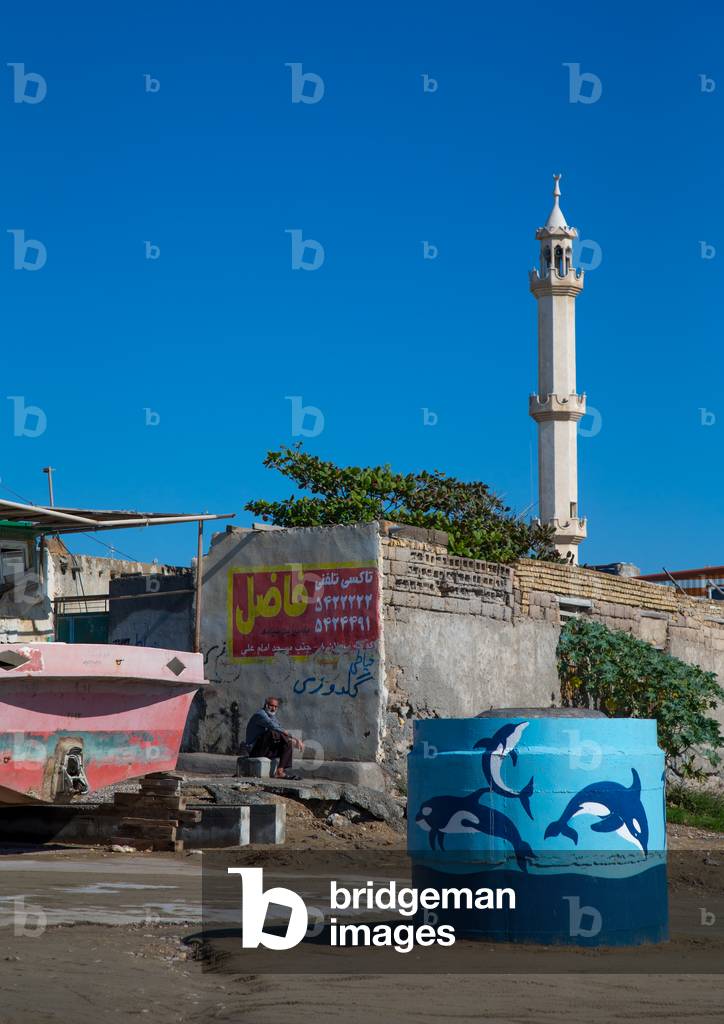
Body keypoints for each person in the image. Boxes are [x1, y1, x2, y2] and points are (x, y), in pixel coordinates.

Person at [245, 696, 304, 779]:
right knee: (272, 732)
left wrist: (290, 740)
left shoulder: (273, 717)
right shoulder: (260, 715)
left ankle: (280, 771)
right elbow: (274, 727)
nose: (274, 708)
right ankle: (290, 741)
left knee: (288, 743)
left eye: (276, 707)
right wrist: (296, 739)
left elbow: (280, 729)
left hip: (266, 750)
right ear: (266, 705)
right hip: (255, 751)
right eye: (271, 706)